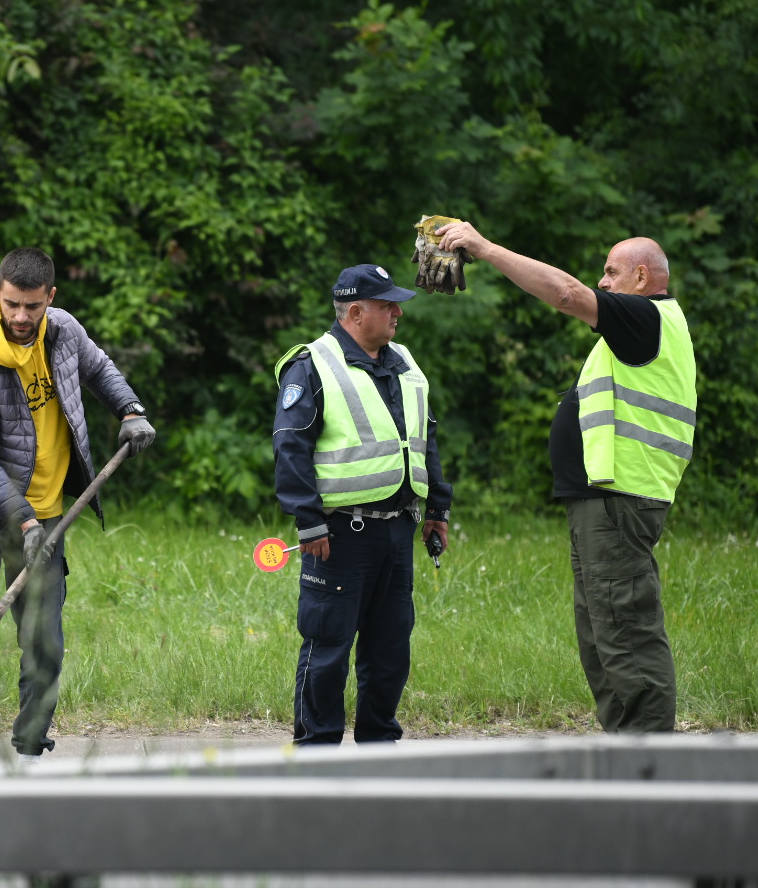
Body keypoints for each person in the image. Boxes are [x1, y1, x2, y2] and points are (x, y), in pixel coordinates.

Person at [435, 223, 696, 733]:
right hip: (605, 502)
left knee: (625, 632)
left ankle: (652, 766)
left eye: (611, 272)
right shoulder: (641, 327)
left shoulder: (646, 317)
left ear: (642, 277)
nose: (602, 281)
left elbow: (565, 293)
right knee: (602, 633)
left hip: (619, 502)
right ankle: (627, 752)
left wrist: (485, 248)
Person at [0, 246, 155, 767]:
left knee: (44, 639)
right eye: (11, 304)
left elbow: (99, 369)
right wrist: (25, 519)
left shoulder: (63, 332)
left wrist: (129, 408)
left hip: (48, 510)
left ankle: (30, 748)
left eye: (32, 306)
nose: (20, 317)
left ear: (49, 299)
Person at [272, 264, 452, 745]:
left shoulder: (406, 364)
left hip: (397, 532)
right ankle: (317, 752)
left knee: (391, 647)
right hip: (337, 537)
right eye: (386, 305)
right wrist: (308, 524)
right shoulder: (312, 366)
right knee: (328, 644)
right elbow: (291, 448)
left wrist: (438, 508)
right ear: (355, 312)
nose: (397, 312)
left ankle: (379, 746)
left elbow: (424, 439)